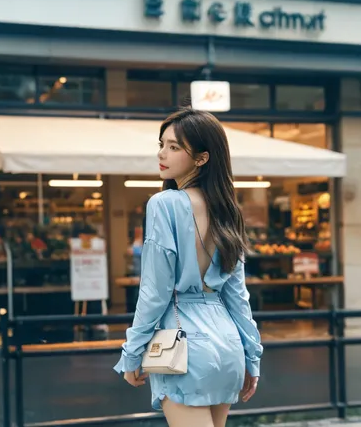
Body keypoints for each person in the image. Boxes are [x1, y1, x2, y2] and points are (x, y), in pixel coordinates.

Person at [113, 107, 263, 427]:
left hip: (183, 344)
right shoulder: (228, 210)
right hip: (227, 345)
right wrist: (253, 357)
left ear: (202, 158)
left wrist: (132, 352)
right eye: (162, 144)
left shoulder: (164, 204)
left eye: (175, 147)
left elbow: (155, 292)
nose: (162, 154)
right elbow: (238, 297)